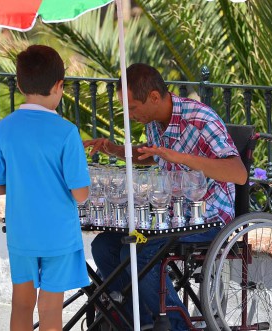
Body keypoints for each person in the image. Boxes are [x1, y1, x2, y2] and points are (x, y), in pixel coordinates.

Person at [84, 63, 247, 330]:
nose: (129, 114)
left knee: (138, 250)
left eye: (133, 107)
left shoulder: (200, 119)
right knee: (103, 246)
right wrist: (113, 149)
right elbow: (149, 153)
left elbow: (238, 173)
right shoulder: (154, 122)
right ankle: (136, 321)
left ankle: (177, 326)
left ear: (155, 97)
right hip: (171, 216)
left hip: (209, 216)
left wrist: (178, 157)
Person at [0, 45, 91, 331]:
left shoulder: (3, 128)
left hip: (21, 231)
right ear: (60, 86)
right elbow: (80, 193)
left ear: (19, 84)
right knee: (50, 307)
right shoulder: (67, 132)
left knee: (21, 302)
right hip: (58, 235)